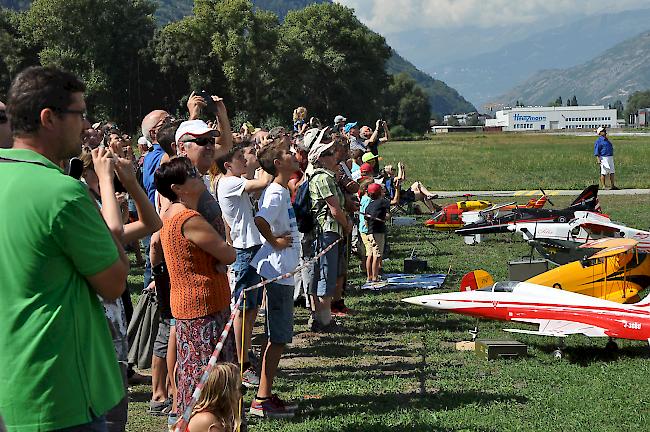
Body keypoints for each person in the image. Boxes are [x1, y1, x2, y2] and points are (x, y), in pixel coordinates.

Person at [0, 66, 129, 430]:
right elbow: (115, 283)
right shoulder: (62, 192)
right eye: (80, 113)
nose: (86, 125)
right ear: (49, 118)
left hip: (11, 389)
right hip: (59, 393)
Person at [155, 157, 237, 421]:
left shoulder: (168, 214)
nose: (196, 175)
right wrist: (222, 256)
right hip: (204, 307)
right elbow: (228, 254)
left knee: (194, 378)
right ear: (177, 188)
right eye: (190, 174)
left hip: (189, 306)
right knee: (212, 382)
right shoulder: (189, 218)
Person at [249, 138, 301, 418]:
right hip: (278, 271)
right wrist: (275, 242)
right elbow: (260, 220)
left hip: (284, 270)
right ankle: (262, 399)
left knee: (277, 335)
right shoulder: (277, 193)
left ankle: (265, 394)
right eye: (288, 154)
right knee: (278, 336)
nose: (294, 156)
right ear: (278, 163)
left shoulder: (281, 190)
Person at [216, 146, 273, 388]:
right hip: (244, 250)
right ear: (228, 165)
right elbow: (263, 181)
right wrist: (265, 159)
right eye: (240, 158)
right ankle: (242, 362)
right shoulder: (229, 183)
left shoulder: (233, 180)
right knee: (241, 310)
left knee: (250, 310)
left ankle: (245, 355)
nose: (244, 161)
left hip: (250, 248)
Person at [308, 130, 353, 331]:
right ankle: (324, 321)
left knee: (326, 274)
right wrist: (346, 224)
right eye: (330, 153)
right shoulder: (323, 178)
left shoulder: (328, 177)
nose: (335, 156)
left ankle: (321, 317)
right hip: (328, 232)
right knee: (326, 274)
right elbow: (334, 209)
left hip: (330, 232)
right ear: (321, 159)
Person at [187, 363, 243, 432]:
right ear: (225, 394)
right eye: (239, 390)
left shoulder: (215, 416)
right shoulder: (208, 420)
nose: (240, 395)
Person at [364, 183, 390, 283]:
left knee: (369, 254)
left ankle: (369, 277)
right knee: (377, 255)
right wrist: (397, 189)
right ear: (380, 192)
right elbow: (395, 201)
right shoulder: (382, 202)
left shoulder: (369, 205)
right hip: (378, 232)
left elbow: (366, 220)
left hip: (369, 232)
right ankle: (375, 278)